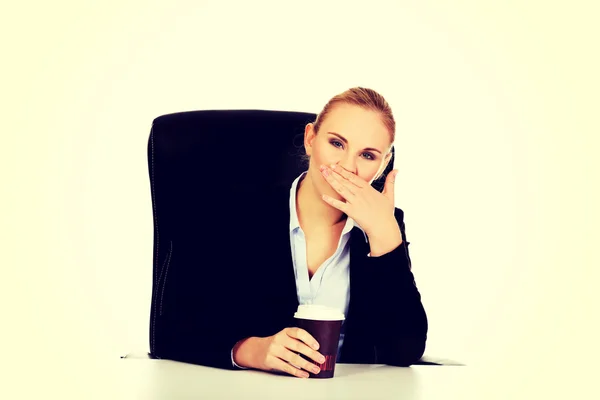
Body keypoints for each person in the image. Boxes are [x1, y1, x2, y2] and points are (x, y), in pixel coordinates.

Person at [154, 87, 428, 378]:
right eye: (336, 143)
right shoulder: (236, 211)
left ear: (384, 164)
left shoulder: (384, 225)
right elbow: (172, 329)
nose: (347, 167)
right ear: (311, 139)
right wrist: (251, 351)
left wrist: (385, 237)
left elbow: (405, 349)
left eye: (368, 155)